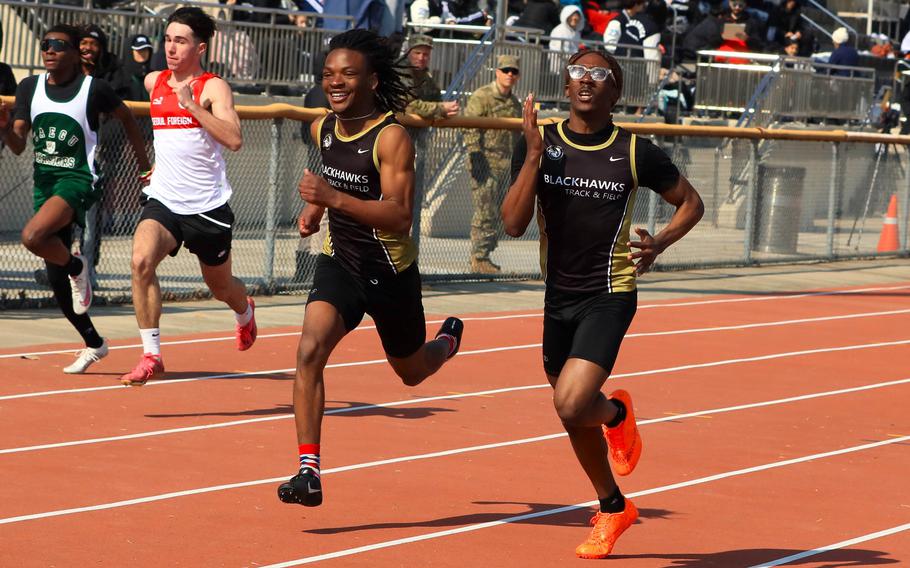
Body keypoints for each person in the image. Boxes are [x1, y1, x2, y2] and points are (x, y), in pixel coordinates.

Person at [501, 48, 704, 558]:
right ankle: (613, 507)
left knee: (570, 401)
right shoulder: (539, 142)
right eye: (577, 72)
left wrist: (660, 241)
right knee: (573, 414)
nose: (586, 79)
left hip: (609, 292)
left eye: (599, 74)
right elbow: (511, 224)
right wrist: (529, 158)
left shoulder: (635, 151)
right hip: (557, 297)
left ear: (615, 91)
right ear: (565, 86)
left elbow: (691, 202)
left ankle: (613, 413)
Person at [276, 28, 465, 508]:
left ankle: (443, 344)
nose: (335, 82)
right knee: (308, 351)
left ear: (373, 81)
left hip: (390, 274)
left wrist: (333, 198)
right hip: (340, 261)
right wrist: (317, 211)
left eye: (347, 74)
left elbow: (400, 215)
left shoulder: (392, 137)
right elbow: (332, 176)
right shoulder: (324, 127)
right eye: (328, 75)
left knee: (411, 372)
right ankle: (308, 472)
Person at [0, 24, 151, 374]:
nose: (49, 50)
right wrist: (5, 127)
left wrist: (145, 167)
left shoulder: (92, 89)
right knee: (56, 281)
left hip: (79, 179)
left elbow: (128, 117)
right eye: (44, 44)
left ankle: (77, 266)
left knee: (32, 237)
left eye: (57, 45)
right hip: (45, 185)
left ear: (74, 53)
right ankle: (95, 343)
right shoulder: (29, 87)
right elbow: (20, 144)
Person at [119, 7, 257, 386]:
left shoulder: (214, 87)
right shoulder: (153, 81)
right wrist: (148, 165)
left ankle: (244, 311)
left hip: (207, 208)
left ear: (200, 47)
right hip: (163, 201)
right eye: (168, 39)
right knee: (141, 261)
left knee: (221, 288)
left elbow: (234, 139)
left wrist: (192, 105)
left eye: (180, 41)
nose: (171, 48)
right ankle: (152, 354)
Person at [463, 54, 521, 274]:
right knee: (485, 212)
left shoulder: (514, 103)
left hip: (505, 164)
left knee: (499, 214)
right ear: (497, 72)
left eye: (513, 71)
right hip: (485, 163)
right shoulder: (483, 96)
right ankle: (479, 259)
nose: (509, 74)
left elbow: (517, 137)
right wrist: (475, 154)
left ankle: (485, 254)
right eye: (505, 70)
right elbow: (470, 126)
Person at [400, 34, 460, 120]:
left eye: (425, 54)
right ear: (408, 53)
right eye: (417, 53)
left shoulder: (427, 76)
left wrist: (449, 110)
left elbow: (436, 99)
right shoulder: (400, 72)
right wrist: (441, 109)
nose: (421, 58)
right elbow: (409, 105)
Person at [122, 34, 155, 102]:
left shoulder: (154, 76)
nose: (143, 53)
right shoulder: (119, 75)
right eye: (139, 50)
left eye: (146, 49)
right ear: (130, 52)